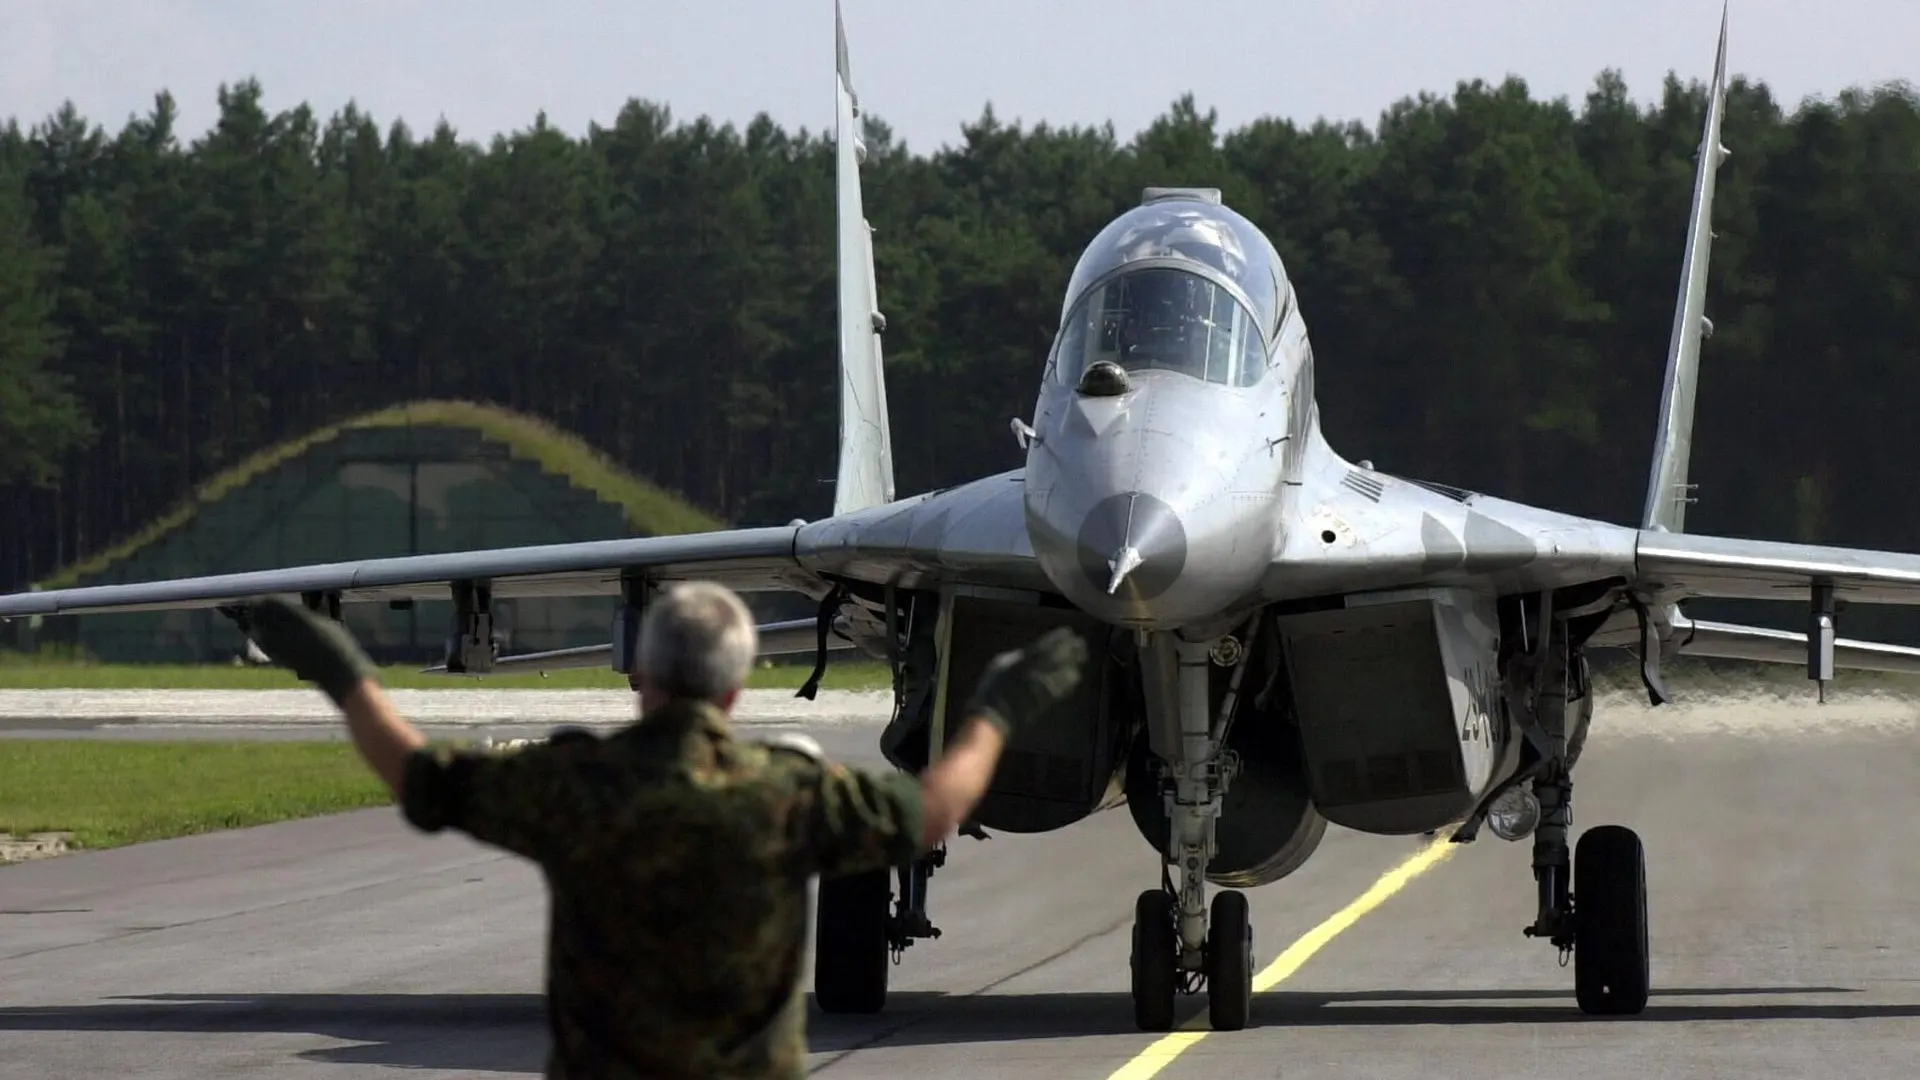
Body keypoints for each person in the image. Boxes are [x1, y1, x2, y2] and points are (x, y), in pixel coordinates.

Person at [238, 582, 1089, 1080]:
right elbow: (933, 812)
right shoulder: (788, 795)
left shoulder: (574, 786)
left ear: (640, 674)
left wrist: (339, 671)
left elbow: (419, 778)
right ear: (738, 687)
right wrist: (997, 711)